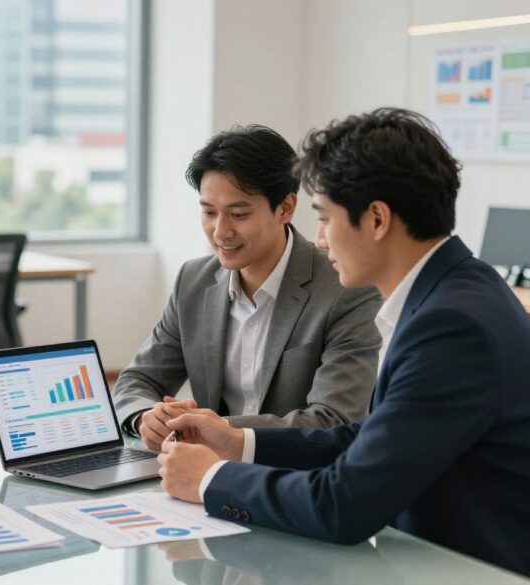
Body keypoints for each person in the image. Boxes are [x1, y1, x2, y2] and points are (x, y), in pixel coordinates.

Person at [158, 108, 530, 576]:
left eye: (325, 218)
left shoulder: (452, 326)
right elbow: (370, 440)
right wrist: (239, 443)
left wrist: (211, 480)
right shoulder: (453, 292)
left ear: (376, 219)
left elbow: (344, 505)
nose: (320, 241)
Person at [114, 125, 382, 450]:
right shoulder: (193, 281)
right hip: (200, 473)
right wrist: (145, 417)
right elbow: (137, 379)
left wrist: (216, 429)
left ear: (285, 208)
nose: (220, 231)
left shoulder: (346, 289)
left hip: (292, 478)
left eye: (238, 214)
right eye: (209, 212)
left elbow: (335, 420)